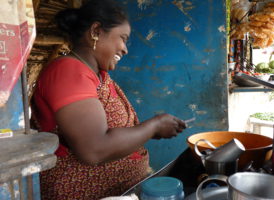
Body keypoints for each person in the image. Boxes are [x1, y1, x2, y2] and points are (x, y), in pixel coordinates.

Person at [31, 0, 187, 199]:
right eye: (122, 38)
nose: (125, 49)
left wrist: (147, 133)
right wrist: (153, 127)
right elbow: (94, 149)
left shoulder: (95, 74)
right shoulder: (68, 72)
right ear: (96, 31)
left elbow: (109, 131)